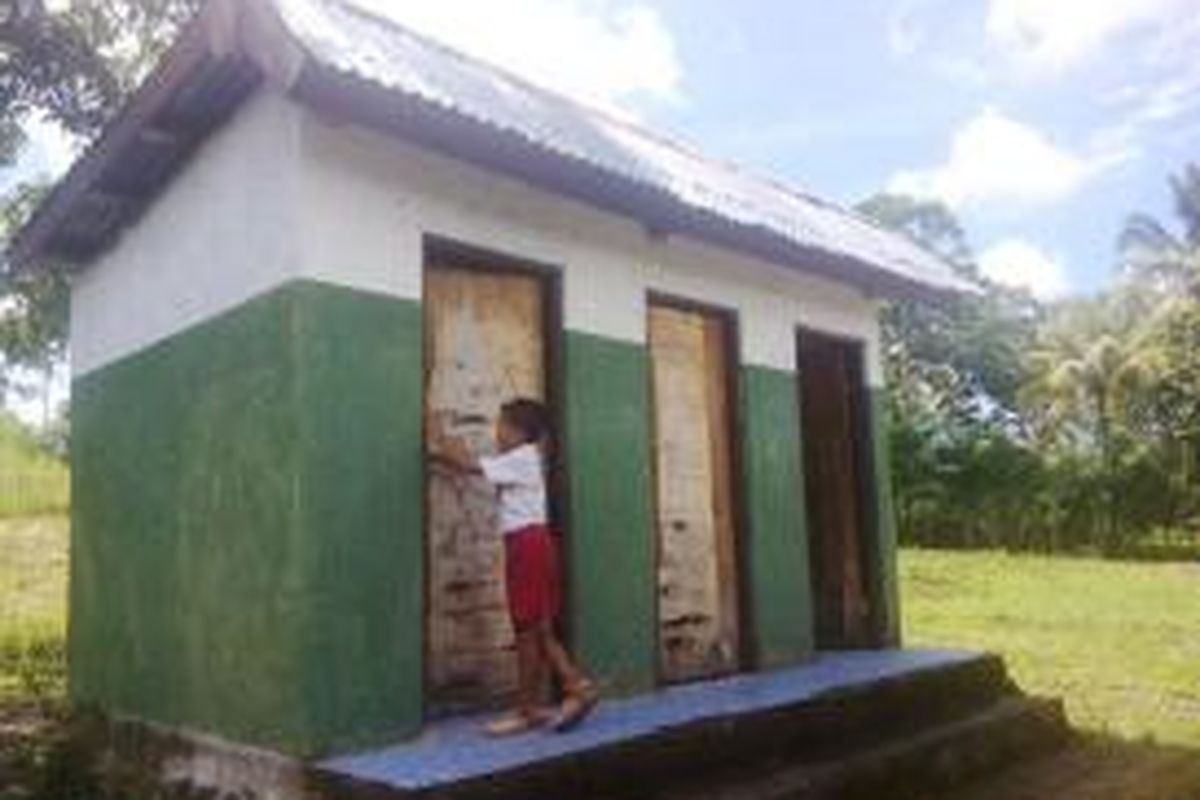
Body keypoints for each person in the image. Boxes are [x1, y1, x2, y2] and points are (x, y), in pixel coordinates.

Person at [428, 398, 598, 736]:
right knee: (531, 628)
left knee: (532, 627)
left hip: (527, 547)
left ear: (519, 433)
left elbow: (466, 464)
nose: (497, 432)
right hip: (531, 545)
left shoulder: (521, 459)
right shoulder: (522, 459)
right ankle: (530, 709)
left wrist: (436, 433)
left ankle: (576, 687)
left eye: (502, 426)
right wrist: (445, 452)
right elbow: (467, 463)